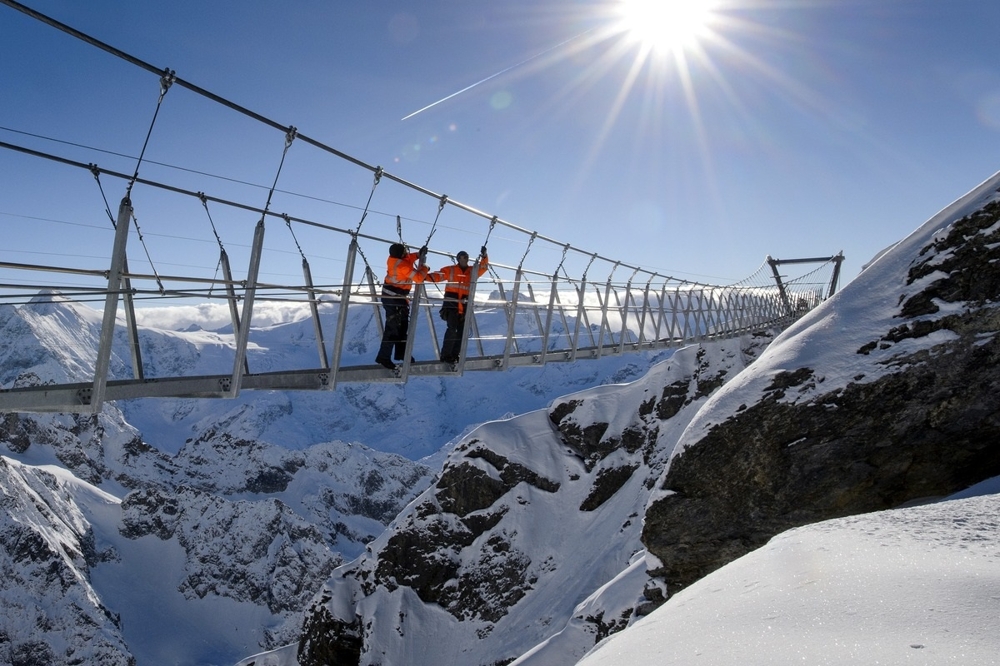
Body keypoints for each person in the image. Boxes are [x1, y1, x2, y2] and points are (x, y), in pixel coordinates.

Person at [428, 246, 488, 363]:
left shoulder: (472, 271)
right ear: (458, 259)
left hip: (464, 306)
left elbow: (483, 267)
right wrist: (423, 276)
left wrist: (484, 256)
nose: (465, 259)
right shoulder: (450, 270)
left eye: (466, 257)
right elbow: (437, 276)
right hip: (452, 305)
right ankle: (446, 355)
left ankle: (455, 355)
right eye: (462, 257)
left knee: (461, 331)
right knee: (452, 329)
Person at [376, 242, 428, 370]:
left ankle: (402, 354)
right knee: (393, 328)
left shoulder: (395, 260)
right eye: (405, 251)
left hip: (396, 298)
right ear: (401, 254)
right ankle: (384, 357)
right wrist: (425, 267)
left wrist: (418, 254)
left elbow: (408, 258)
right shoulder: (402, 266)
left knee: (402, 326)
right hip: (394, 299)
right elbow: (419, 278)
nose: (406, 252)